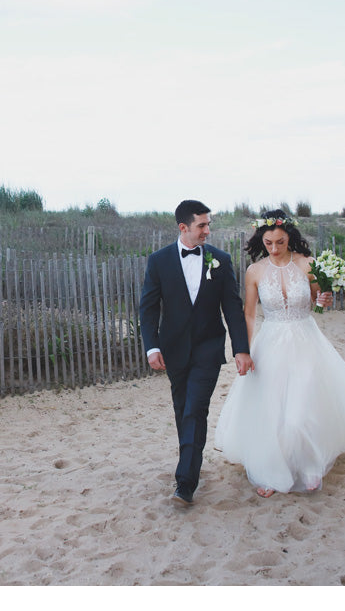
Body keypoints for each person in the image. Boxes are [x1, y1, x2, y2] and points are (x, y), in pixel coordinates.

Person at [214, 210, 345, 497]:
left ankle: (310, 466)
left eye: (280, 241)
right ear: (261, 240)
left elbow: (318, 303)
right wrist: (245, 351)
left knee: (302, 409)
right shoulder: (255, 271)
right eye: (268, 243)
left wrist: (325, 298)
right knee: (273, 409)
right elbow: (249, 315)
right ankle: (271, 469)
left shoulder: (307, 264)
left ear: (290, 237)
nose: (275, 248)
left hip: (306, 341)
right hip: (271, 343)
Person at [140, 200, 254, 507]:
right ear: (183, 227)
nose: (207, 230)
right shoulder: (159, 261)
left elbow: (232, 307)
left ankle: (186, 482)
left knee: (195, 408)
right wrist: (152, 346)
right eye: (202, 225)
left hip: (208, 348)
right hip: (173, 349)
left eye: (208, 224)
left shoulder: (220, 260)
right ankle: (189, 462)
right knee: (182, 409)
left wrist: (241, 348)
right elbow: (148, 308)